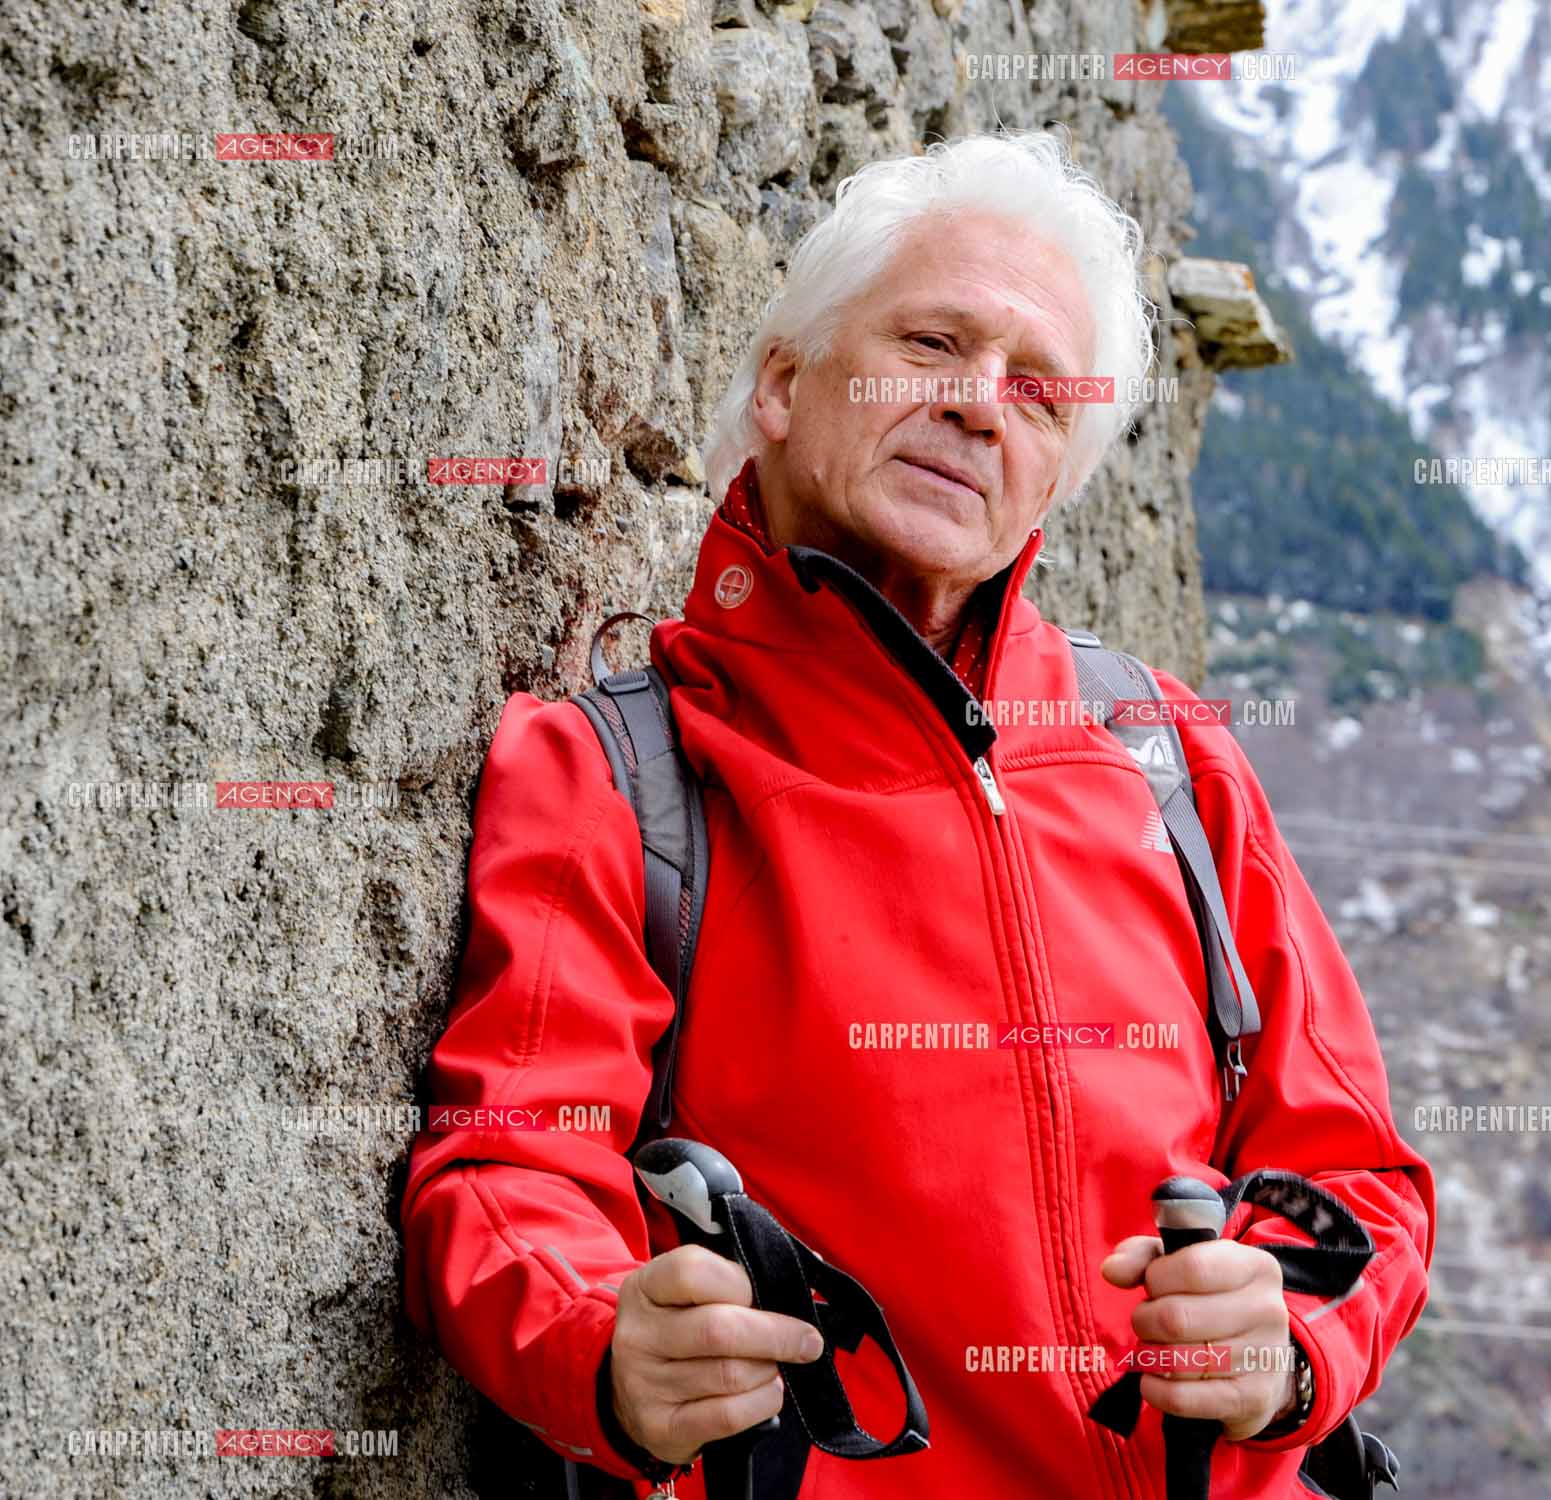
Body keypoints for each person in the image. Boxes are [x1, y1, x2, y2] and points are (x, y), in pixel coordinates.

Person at [399, 129, 1433, 1500]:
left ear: (1056, 474)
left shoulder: (1168, 755)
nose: (978, 406)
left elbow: (1352, 1173)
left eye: (1037, 394)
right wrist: (602, 1350)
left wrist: (1289, 1346)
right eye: (933, 346)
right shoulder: (620, 770)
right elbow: (509, 1165)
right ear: (782, 383)